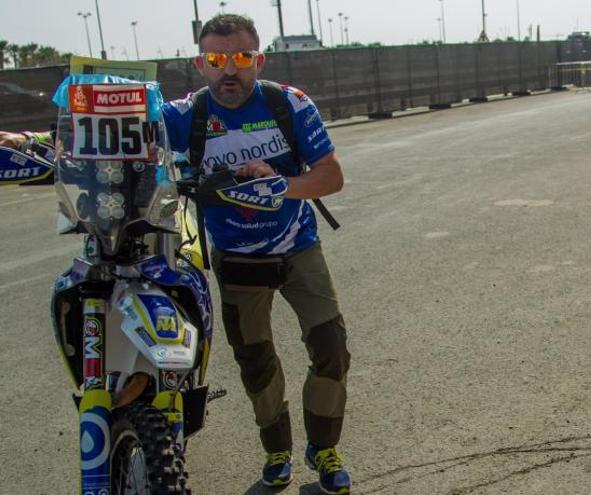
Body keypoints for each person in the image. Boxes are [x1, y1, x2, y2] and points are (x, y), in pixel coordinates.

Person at [1, 13, 352, 493]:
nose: (230, 69)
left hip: (299, 248)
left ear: (258, 59)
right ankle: (277, 451)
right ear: (200, 64)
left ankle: (325, 448)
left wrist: (280, 187)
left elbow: (331, 175)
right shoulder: (183, 116)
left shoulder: (290, 104)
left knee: (331, 348)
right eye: (217, 59)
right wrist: (30, 142)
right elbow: (105, 131)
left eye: (242, 58)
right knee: (257, 362)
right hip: (236, 258)